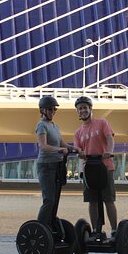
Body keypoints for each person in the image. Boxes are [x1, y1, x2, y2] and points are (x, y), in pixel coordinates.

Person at [73, 96, 118, 238]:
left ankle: (115, 230)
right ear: (78, 112)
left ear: (90, 109)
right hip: (89, 169)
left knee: (108, 199)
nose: (83, 110)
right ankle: (95, 231)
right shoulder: (78, 132)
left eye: (85, 107)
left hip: (105, 167)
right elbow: (77, 149)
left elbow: (110, 138)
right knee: (92, 201)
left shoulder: (102, 123)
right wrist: (80, 154)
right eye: (80, 108)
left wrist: (109, 152)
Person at [35, 96, 74, 225]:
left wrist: (75, 148)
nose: (52, 112)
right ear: (42, 110)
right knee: (49, 199)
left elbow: (63, 144)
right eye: (50, 109)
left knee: (55, 199)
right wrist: (59, 150)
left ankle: (50, 224)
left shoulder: (55, 126)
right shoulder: (41, 125)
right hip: (46, 166)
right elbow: (43, 146)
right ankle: (40, 227)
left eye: (54, 109)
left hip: (57, 165)